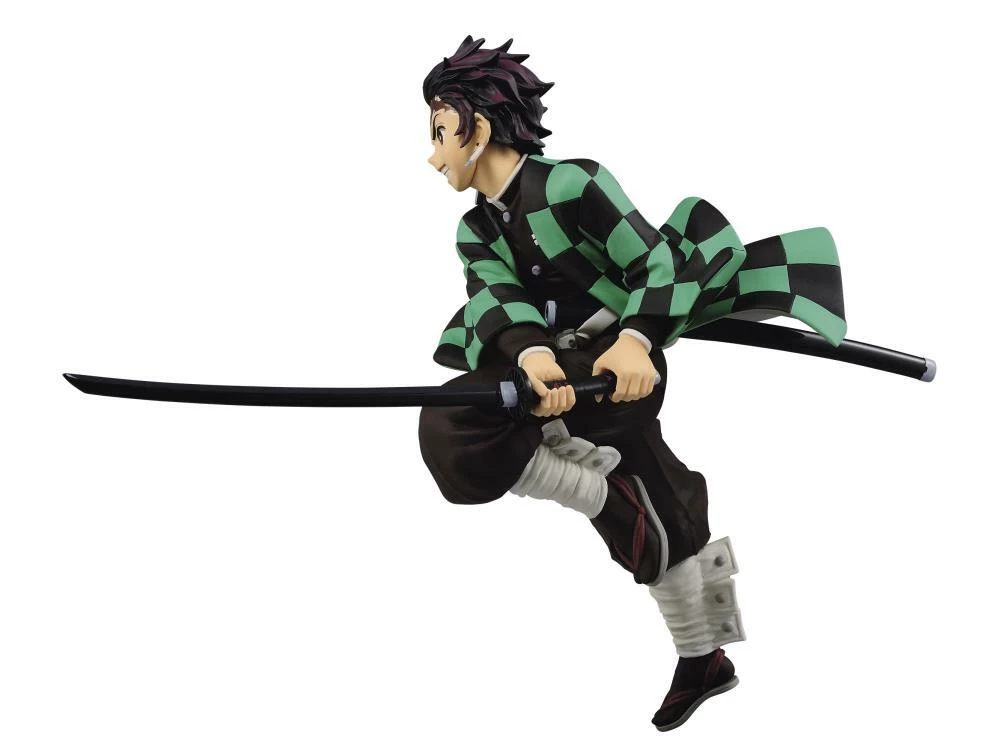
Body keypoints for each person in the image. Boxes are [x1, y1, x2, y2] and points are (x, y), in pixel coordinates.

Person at [417, 37, 846, 731]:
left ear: (479, 128)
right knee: (451, 420)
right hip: (546, 369)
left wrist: (638, 338)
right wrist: (531, 355)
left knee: (665, 516)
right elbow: (496, 298)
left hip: (616, 368)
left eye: (440, 133)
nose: (434, 156)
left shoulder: (572, 186)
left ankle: (700, 653)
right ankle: (595, 490)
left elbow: (654, 264)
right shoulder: (476, 230)